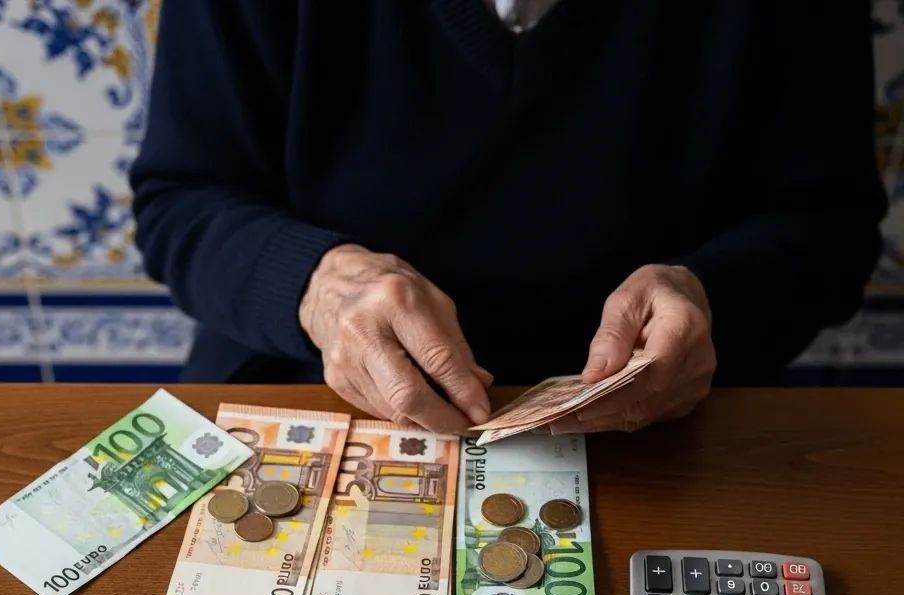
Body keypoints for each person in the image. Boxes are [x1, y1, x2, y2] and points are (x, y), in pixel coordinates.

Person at [131, 1, 885, 434]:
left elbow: (830, 225)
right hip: (310, 390)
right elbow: (182, 201)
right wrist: (316, 286)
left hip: (676, 425)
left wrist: (715, 297)